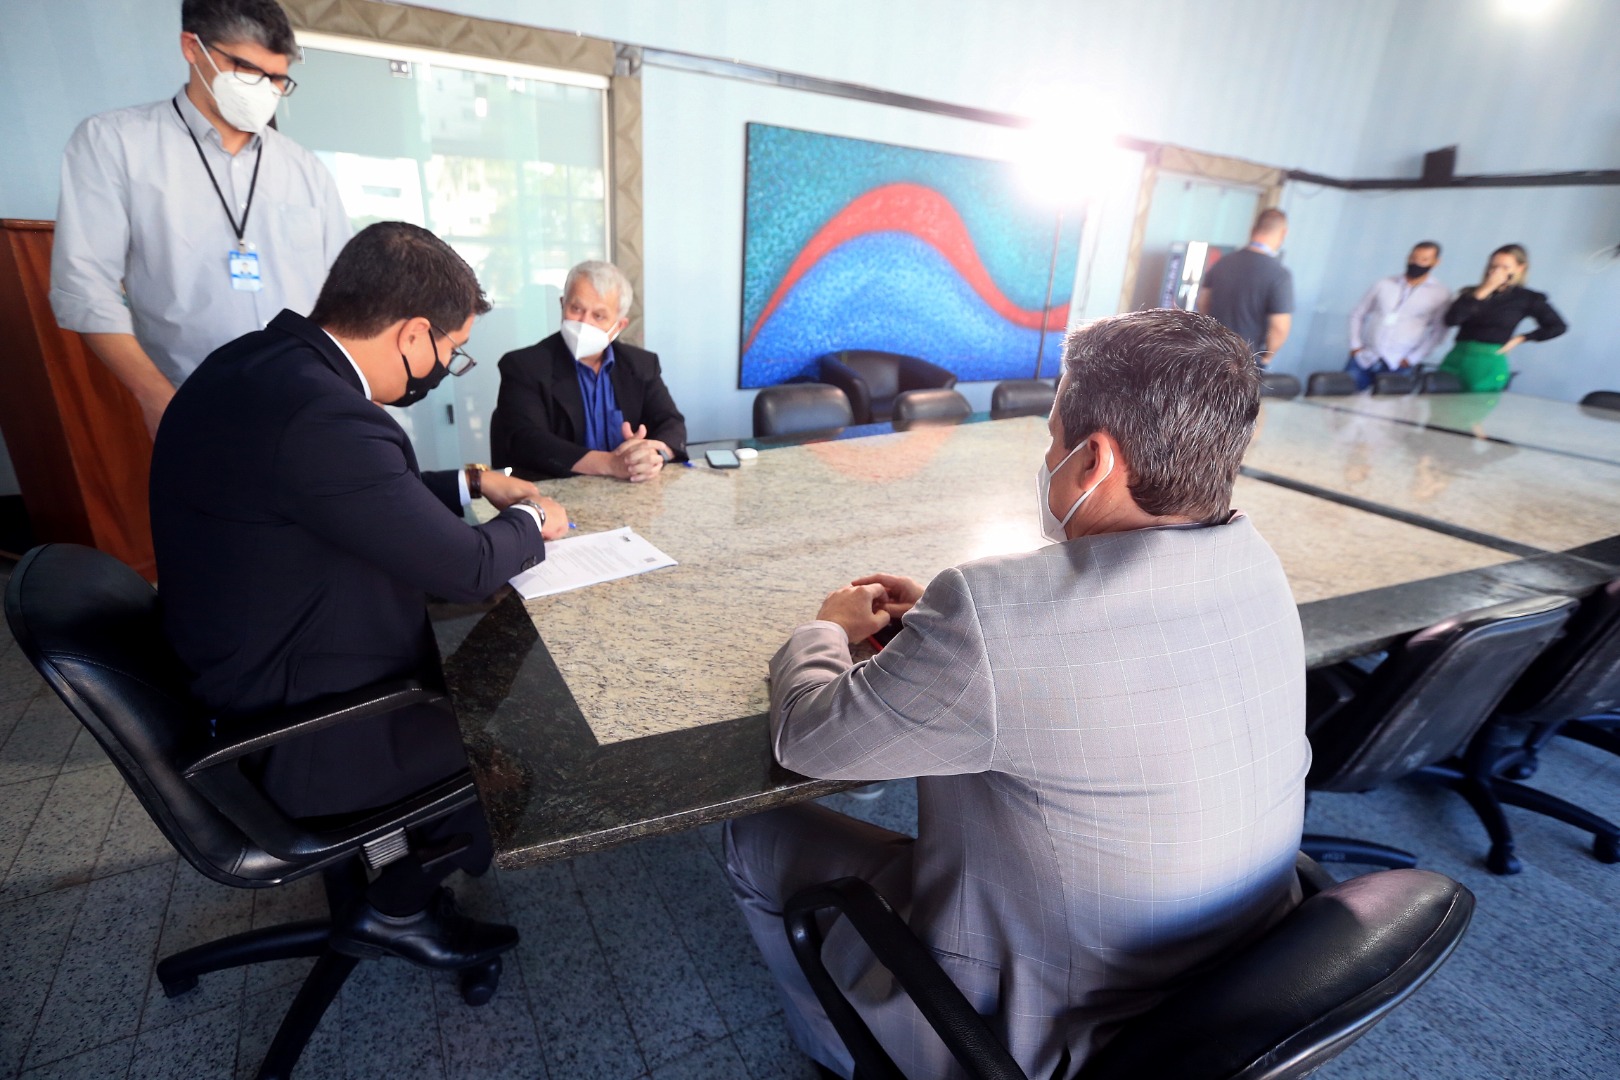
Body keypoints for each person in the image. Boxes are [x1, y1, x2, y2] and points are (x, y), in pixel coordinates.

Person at [725, 308, 1309, 1079]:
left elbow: (805, 738)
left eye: (1053, 438)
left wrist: (827, 628)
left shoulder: (993, 612)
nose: (1047, 457)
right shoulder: (1258, 565)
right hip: (1226, 991)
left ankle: (837, 1049)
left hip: (1048, 1032)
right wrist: (938, 632)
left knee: (753, 836)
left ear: (1093, 462)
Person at [150, 221, 569, 968]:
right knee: (526, 731)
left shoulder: (259, 366)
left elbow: (349, 495)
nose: (446, 367)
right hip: (301, 730)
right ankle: (398, 908)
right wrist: (533, 520)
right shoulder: (325, 415)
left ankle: (399, 854)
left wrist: (471, 481)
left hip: (233, 675)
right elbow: (470, 569)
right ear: (412, 334)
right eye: (451, 350)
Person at [49, 0, 349, 438]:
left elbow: (346, 296)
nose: (264, 88)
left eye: (277, 79)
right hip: (195, 407)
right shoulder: (116, 143)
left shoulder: (305, 169)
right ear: (192, 48)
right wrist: (154, 396)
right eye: (246, 69)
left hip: (312, 406)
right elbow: (83, 286)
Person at [489, 260, 687, 481]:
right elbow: (527, 441)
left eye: (598, 316)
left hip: (629, 489)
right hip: (555, 490)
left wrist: (655, 454)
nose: (584, 322)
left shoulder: (642, 364)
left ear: (619, 325)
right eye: (576, 309)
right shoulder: (524, 365)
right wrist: (610, 464)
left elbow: (671, 422)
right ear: (562, 304)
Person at [1439, 244, 1567, 392]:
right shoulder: (1471, 293)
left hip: (1488, 359)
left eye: (1505, 267)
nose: (1497, 272)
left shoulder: (1526, 298)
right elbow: (1451, 320)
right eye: (1493, 266)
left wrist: (1522, 338)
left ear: (1520, 268)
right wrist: (1484, 290)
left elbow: (1557, 326)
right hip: (1458, 354)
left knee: (1473, 403)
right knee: (1438, 400)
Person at [1345, 241, 1452, 390]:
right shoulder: (1384, 284)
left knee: (1386, 403)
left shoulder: (1440, 294)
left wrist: (1412, 359)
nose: (1417, 263)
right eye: (1414, 258)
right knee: (1341, 398)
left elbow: (1439, 332)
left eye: (1424, 260)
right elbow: (1357, 314)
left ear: (1435, 262)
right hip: (1365, 358)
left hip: (1399, 363)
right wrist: (1355, 346)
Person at [1198, 208, 1293, 365]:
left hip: (1211, 352)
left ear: (1252, 229)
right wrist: (1266, 357)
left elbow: (1203, 302)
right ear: (1284, 233)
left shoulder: (1223, 262)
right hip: (1244, 361)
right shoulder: (1279, 274)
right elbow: (1279, 327)